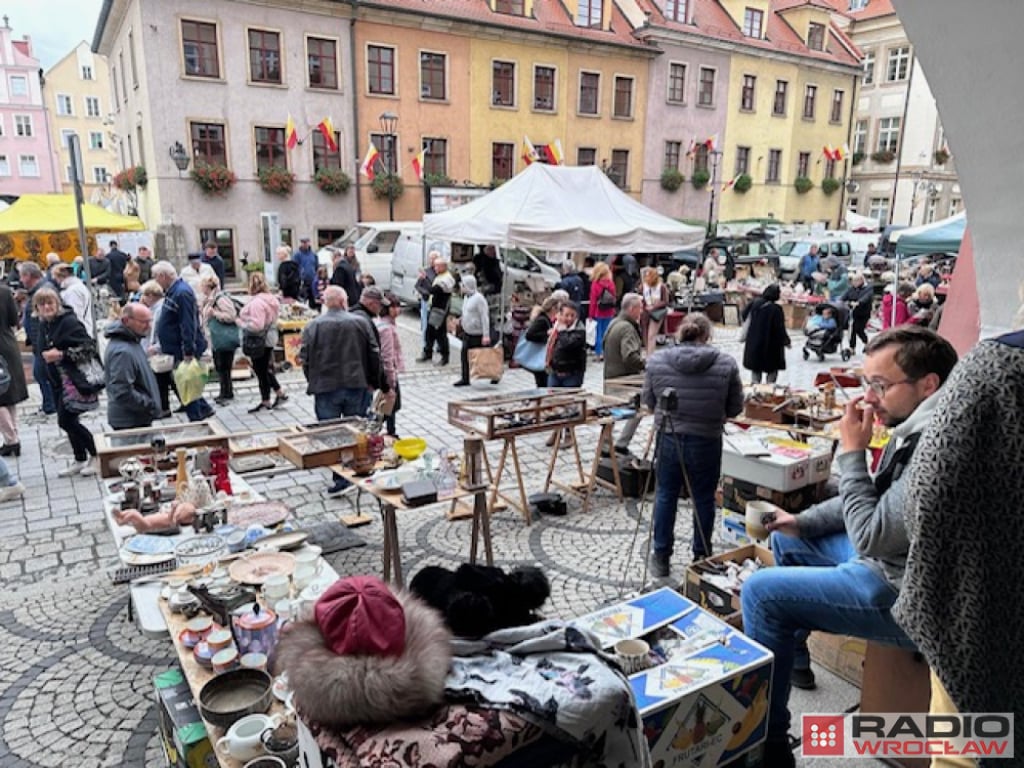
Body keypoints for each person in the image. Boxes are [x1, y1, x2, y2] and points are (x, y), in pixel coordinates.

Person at [740, 326, 958, 768]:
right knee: (790, 544)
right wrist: (798, 522)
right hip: (890, 560)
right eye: (867, 384)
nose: (869, 397)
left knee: (759, 593)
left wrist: (852, 454)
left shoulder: (939, 444)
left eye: (880, 385)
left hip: (910, 595)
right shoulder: (918, 423)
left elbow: (871, 533)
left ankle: (771, 747)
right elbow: (871, 496)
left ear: (928, 385)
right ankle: (793, 656)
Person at [893, 323, 1024, 744]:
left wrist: (854, 455)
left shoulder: (996, 364)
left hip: (980, 617)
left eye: (879, 384)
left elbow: (924, 505)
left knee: (964, 745)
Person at [299, 285, 382, 497]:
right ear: (344, 302)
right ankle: (358, 469)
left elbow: (304, 359)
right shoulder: (360, 323)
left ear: (326, 303)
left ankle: (339, 477)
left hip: (326, 388)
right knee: (356, 430)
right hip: (356, 385)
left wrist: (313, 381)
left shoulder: (313, 326)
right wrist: (374, 381)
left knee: (331, 433)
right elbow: (374, 355)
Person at [34, 288, 99, 477]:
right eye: (42, 304)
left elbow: (89, 347)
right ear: (36, 308)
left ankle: (96, 454)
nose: (47, 307)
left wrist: (62, 354)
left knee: (66, 420)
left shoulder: (68, 322)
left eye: (50, 303)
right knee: (68, 420)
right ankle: (79, 457)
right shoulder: (44, 324)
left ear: (57, 304)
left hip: (71, 379)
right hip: (55, 380)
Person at [151, 261, 214, 421]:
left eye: (155, 277)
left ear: (163, 276)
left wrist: (188, 350)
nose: (155, 281)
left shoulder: (181, 293)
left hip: (183, 348)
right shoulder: (174, 291)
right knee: (185, 381)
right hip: (177, 346)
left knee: (187, 382)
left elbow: (188, 323)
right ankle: (204, 409)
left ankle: (196, 418)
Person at [104, 303, 161, 430]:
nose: (149, 326)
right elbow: (122, 391)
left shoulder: (132, 341)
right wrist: (149, 404)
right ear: (126, 321)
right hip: (130, 421)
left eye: (149, 321)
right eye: (143, 322)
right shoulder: (122, 351)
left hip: (135, 418)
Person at [602, 293, 645, 456]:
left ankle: (607, 444)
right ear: (632, 309)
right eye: (640, 308)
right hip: (624, 378)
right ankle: (621, 442)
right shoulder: (627, 328)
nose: (641, 312)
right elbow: (630, 357)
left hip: (610, 375)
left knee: (610, 411)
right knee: (641, 406)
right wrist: (646, 364)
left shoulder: (614, 322)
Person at [239, 272, 288, 413]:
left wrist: (241, 323)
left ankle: (273, 396)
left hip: (259, 339)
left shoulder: (257, 303)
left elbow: (257, 325)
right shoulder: (271, 299)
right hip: (270, 336)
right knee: (263, 368)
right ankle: (273, 396)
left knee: (261, 370)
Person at [544, 301, 587, 447]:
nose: (568, 318)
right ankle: (556, 431)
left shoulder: (579, 331)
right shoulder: (557, 328)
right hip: (555, 371)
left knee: (569, 405)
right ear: (560, 315)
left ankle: (569, 434)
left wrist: (561, 332)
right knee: (554, 403)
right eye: (566, 315)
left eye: (572, 315)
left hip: (572, 372)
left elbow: (568, 344)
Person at [17, 262, 57, 416]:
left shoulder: (43, 290)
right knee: (41, 373)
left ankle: (51, 404)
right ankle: (50, 403)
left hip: (43, 341)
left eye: (22, 276)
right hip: (38, 340)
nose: (20, 279)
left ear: (28, 276)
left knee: (42, 373)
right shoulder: (36, 290)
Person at [200, 275, 240, 406]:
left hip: (224, 337)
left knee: (224, 366)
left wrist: (215, 314)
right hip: (216, 338)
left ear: (208, 287)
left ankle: (227, 392)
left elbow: (231, 315)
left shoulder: (220, 299)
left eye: (203, 286)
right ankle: (224, 391)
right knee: (220, 365)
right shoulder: (210, 299)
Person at [138, 280, 174, 417]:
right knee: (166, 378)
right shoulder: (154, 308)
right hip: (156, 347)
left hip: (158, 348)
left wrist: (157, 346)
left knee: (162, 379)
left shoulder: (159, 309)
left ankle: (165, 408)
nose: (143, 298)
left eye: (144, 295)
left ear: (151, 295)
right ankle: (171, 405)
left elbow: (160, 330)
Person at [742, 284, 790, 384]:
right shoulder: (776, 309)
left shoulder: (754, 303)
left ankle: (755, 389)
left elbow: (744, 315)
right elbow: (780, 328)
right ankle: (769, 390)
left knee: (756, 369)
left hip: (754, 342)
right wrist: (786, 341)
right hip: (771, 346)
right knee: (772, 371)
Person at [0, 279, 27, 456]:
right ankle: (12, 435)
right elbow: (13, 319)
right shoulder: (4, 291)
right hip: (7, 343)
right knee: (9, 394)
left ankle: (11, 439)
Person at [374, 291, 404, 438]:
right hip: (388, 372)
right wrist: (391, 379)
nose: (398, 309)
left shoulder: (386, 324)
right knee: (391, 404)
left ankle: (391, 431)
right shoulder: (386, 328)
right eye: (395, 306)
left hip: (388, 371)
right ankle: (376, 430)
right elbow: (387, 356)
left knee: (390, 405)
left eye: (399, 306)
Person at [454, 274, 490, 387]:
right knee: (464, 355)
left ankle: (494, 374)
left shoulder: (479, 299)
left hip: (477, 334)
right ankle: (465, 378)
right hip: (467, 332)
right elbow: (467, 312)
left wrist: (486, 334)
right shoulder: (466, 297)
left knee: (482, 357)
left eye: (463, 284)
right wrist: (461, 320)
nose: (461, 286)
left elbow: (484, 317)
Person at [420, 257, 455, 366]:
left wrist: (424, 279)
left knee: (440, 334)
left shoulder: (446, 279)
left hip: (440, 310)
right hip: (434, 308)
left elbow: (432, 290)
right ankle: (428, 353)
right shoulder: (440, 276)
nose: (434, 268)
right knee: (429, 332)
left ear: (443, 266)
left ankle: (445, 357)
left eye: (436, 266)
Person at [523, 296, 560, 388]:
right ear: (553, 308)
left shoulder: (546, 319)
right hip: (539, 356)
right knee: (543, 383)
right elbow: (529, 335)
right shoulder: (542, 320)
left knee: (543, 383)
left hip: (541, 357)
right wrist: (546, 334)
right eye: (558, 309)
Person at [52, 263, 95, 339]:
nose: (57, 282)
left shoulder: (72, 291)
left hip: (79, 333)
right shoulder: (78, 287)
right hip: (84, 329)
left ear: (61, 276)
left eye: (56, 279)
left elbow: (75, 314)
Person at [588, 261, 616, 361]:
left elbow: (593, 301)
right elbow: (614, 297)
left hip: (598, 312)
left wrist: (590, 315)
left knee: (598, 334)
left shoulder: (595, 284)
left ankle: (599, 354)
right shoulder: (611, 284)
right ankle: (607, 352)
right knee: (607, 333)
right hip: (609, 312)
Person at [842, 271, 874, 354]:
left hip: (864, 313)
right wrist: (842, 301)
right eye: (853, 281)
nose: (854, 283)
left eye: (856, 281)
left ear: (861, 281)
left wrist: (858, 302)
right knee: (852, 329)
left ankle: (867, 343)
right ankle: (852, 348)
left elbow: (866, 297)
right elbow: (844, 296)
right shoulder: (851, 288)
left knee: (859, 329)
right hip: (853, 312)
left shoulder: (868, 288)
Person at [414, 251, 439, 355]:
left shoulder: (440, 272)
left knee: (437, 324)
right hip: (426, 301)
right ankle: (426, 345)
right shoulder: (425, 271)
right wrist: (426, 292)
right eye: (430, 258)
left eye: (434, 258)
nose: (431, 260)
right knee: (425, 324)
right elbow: (417, 286)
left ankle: (438, 345)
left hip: (437, 302)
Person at [640, 266, 670, 354]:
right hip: (645, 313)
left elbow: (665, 301)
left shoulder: (662, 287)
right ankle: (648, 352)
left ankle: (650, 355)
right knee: (645, 334)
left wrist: (654, 306)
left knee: (651, 335)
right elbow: (640, 297)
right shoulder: (643, 286)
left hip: (657, 313)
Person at [330, 245, 361, 309]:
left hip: (346, 298)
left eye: (332, 260)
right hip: (353, 297)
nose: (333, 263)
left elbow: (337, 286)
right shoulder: (347, 265)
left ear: (336, 258)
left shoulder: (340, 268)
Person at [292, 236, 318, 306]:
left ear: (309, 243)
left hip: (312, 282)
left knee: (314, 302)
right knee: (302, 303)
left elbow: (317, 267)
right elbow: (294, 268)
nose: (304, 244)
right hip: (302, 283)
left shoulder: (313, 255)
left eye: (306, 242)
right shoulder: (297, 255)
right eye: (303, 242)